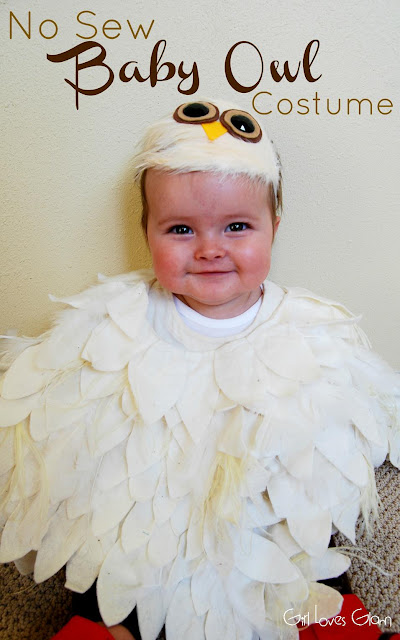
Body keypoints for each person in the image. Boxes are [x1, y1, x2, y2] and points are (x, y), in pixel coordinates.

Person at [0, 99, 399, 640]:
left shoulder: (313, 333)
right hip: (149, 522)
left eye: (237, 226)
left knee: (311, 564)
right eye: (181, 230)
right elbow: (54, 411)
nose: (210, 249)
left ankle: (331, 621)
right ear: (147, 232)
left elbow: (366, 411)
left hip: (268, 521)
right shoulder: (113, 326)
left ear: (274, 229)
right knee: (111, 567)